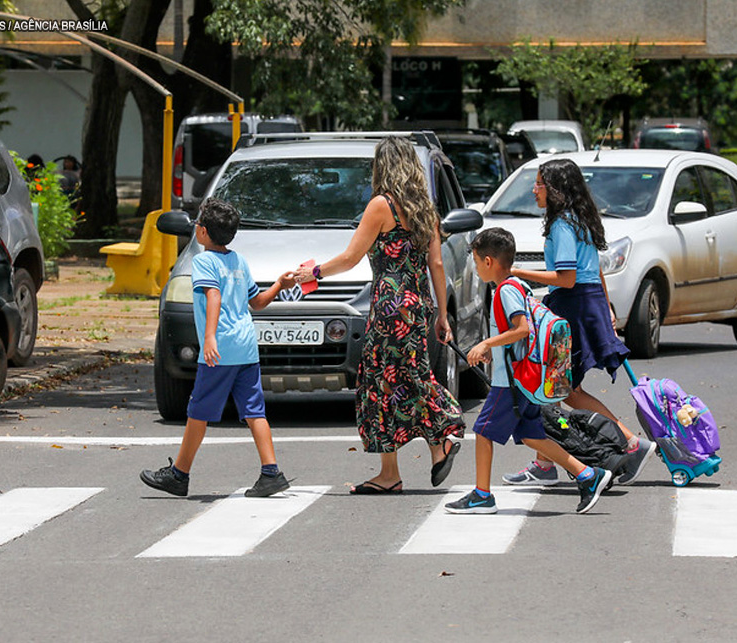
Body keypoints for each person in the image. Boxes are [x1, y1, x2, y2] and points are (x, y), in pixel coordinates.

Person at [295, 136, 465, 494]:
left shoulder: (381, 205)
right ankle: (407, 463)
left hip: (389, 306)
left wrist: (315, 273)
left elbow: (351, 257)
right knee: (401, 379)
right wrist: (441, 314)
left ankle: (443, 430)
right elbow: (436, 263)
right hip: (417, 305)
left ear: (383, 167)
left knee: (383, 383)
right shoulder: (425, 209)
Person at [501, 158, 656, 488]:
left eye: (539, 184)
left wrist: (515, 272)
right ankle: (545, 463)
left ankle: (630, 442)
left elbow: (567, 278)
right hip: (587, 302)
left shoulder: (562, 225)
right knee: (555, 389)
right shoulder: (580, 218)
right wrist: (606, 306)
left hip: (573, 306)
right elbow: (595, 269)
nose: (534, 190)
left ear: (555, 189)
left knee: (563, 389)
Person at [445, 228, 612, 514]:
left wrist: (486, 343)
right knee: (532, 435)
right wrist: (494, 350)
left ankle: (482, 495)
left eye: (476, 260)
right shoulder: (518, 286)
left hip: (510, 382)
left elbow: (521, 329)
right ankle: (587, 475)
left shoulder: (505, 291)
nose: (476, 267)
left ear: (489, 261)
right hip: (522, 378)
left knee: (483, 431)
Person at [139, 198, 296, 498]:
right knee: (254, 412)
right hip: (246, 348)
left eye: (198, 223)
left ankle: (179, 475)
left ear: (202, 232)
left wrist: (209, 337)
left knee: (198, 412)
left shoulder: (204, 261)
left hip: (221, 349)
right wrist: (279, 284)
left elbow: (213, 296)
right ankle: (271, 472)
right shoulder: (239, 261)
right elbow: (257, 303)